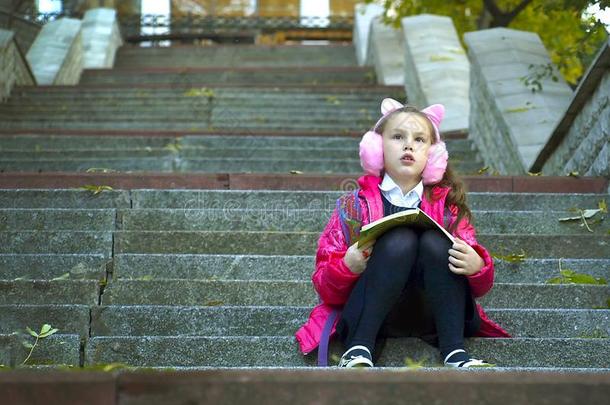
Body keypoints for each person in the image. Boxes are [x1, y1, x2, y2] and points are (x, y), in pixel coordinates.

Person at [294, 97, 511, 368]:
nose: (409, 144)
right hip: (373, 313)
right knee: (400, 240)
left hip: (431, 312)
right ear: (376, 148)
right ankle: (359, 348)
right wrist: (347, 265)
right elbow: (324, 285)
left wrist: (477, 265)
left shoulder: (449, 209)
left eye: (420, 140)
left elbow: (479, 285)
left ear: (433, 155)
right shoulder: (353, 207)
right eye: (398, 136)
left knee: (436, 241)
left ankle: (455, 351)